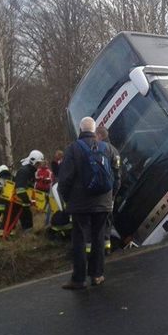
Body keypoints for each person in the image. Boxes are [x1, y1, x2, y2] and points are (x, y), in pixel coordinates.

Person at [58, 117, 121, 290]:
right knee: (99, 237)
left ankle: (78, 279)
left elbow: (65, 179)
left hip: (79, 204)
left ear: (80, 129)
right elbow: (117, 177)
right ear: (94, 130)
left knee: (79, 239)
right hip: (103, 203)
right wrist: (111, 197)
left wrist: (66, 198)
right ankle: (97, 275)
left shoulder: (72, 149)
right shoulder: (108, 149)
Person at [96, 125, 121, 254]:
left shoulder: (100, 150)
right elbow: (118, 175)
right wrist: (114, 194)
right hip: (111, 192)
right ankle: (107, 247)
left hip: (101, 193)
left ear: (99, 135)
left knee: (99, 220)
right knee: (107, 220)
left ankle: (98, 248)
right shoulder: (114, 151)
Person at [14, 150, 45, 232]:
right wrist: (27, 200)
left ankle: (27, 235)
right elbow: (20, 189)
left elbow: (29, 187)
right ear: (33, 161)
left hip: (23, 201)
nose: (39, 165)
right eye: (38, 163)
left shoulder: (30, 171)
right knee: (20, 220)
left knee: (27, 219)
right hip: (18, 201)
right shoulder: (24, 171)